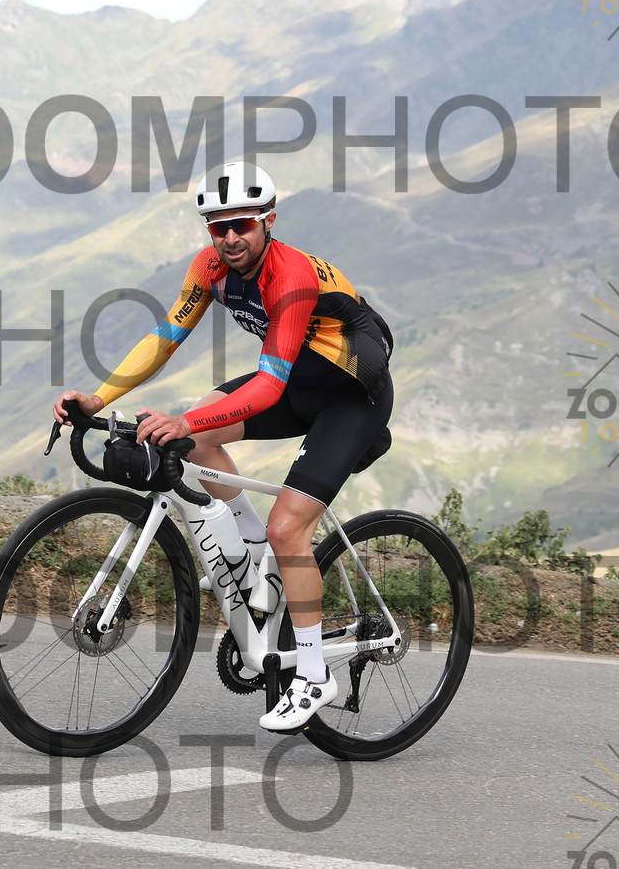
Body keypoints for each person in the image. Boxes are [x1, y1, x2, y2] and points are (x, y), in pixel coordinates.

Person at [52, 161, 394, 731]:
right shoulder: (209, 268)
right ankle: (254, 553)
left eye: (242, 225)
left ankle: (314, 674)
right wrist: (98, 396)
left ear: (268, 222)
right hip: (298, 380)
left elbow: (268, 386)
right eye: (218, 227)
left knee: (289, 528)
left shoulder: (290, 275)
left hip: (352, 394)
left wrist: (184, 421)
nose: (230, 237)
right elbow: (165, 337)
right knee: (198, 440)